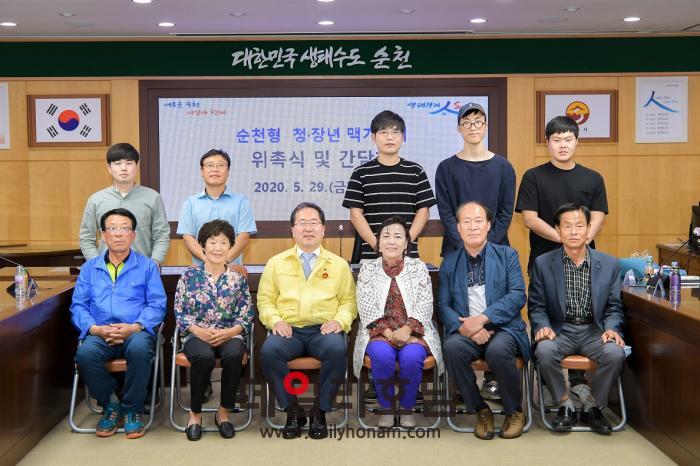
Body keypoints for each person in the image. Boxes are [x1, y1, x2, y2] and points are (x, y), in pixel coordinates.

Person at [515, 115, 608, 395]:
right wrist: (565, 239)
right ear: (547, 143)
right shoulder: (533, 176)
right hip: (544, 261)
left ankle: (578, 381)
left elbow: (599, 215)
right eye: (557, 140)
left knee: (582, 317)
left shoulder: (593, 178)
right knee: (546, 317)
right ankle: (547, 382)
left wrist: (581, 239)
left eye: (568, 139)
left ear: (577, 141)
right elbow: (529, 218)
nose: (563, 145)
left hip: (584, 262)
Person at [435, 102, 516, 401]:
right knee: (457, 307)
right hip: (456, 250)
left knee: (496, 307)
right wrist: (466, 244)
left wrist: (485, 244)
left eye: (478, 121)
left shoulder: (503, 167)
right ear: (459, 128)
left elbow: (506, 211)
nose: (473, 127)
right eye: (466, 122)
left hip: (496, 249)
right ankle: (460, 380)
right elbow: (446, 212)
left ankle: (494, 377)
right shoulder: (446, 168)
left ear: (485, 126)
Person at [258, 202, 357, 440]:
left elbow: (349, 302)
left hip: (322, 331)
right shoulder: (276, 263)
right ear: (292, 230)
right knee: (269, 352)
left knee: (337, 349)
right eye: (302, 223)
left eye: (314, 223)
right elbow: (265, 300)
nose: (308, 228)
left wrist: (339, 321)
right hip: (288, 331)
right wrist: (275, 321)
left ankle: (320, 411)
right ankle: (293, 411)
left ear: (323, 229)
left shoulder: (339, 265)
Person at [528, 203, 625, 435]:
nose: (573, 232)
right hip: (560, 330)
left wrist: (612, 328)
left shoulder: (609, 264)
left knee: (615, 353)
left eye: (579, 226)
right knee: (544, 351)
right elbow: (537, 305)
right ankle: (565, 404)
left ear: (589, 229)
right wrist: (542, 327)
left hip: (594, 330)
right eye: (567, 226)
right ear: (557, 230)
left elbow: (614, 306)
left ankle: (592, 406)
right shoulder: (543, 263)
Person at [71, 208, 166, 439]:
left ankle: (132, 409)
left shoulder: (147, 267)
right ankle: (111, 404)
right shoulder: (90, 268)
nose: (119, 233)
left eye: (125, 228)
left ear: (133, 235)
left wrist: (136, 326)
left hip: (136, 331)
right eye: (113, 228)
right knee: (85, 355)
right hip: (100, 332)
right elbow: (78, 306)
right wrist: (94, 329)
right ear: (104, 235)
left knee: (140, 349)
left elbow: (157, 305)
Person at [438, 201, 529, 440]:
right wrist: (466, 328)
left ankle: (514, 411)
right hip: (467, 331)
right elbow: (444, 305)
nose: (473, 227)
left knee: (498, 351)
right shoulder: (449, 262)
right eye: (466, 222)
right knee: (451, 348)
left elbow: (517, 295)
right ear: (458, 228)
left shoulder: (507, 255)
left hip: (503, 328)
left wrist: (483, 319)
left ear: (488, 225)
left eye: (478, 221)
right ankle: (480, 409)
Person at [353, 216, 443, 428]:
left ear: (406, 243)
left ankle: (406, 408)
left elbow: (425, 304)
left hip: (414, 332)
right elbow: (366, 307)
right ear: (378, 243)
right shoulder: (368, 269)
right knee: (382, 356)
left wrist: (407, 329)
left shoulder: (418, 268)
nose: (391, 241)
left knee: (411, 357)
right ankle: (387, 408)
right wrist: (388, 333)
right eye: (386, 236)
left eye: (397, 236)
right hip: (379, 333)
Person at [174, 220, 254, 441]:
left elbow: (246, 314)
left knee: (235, 354)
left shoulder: (238, 279)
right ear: (202, 246)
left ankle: (224, 412)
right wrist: (199, 331)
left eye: (223, 242)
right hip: (196, 334)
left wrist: (229, 332)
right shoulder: (189, 277)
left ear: (230, 247)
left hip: (230, 334)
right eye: (212, 242)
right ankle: (195, 413)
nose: (218, 248)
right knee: (204, 356)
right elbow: (180, 312)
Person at [342, 110, 436, 263]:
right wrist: (377, 245)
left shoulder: (416, 171)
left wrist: (405, 243)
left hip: (408, 257)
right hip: (371, 257)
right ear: (373, 137)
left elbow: (423, 212)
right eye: (383, 132)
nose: (390, 137)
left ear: (402, 137)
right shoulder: (361, 173)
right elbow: (355, 215)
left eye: (395, 132)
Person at [79, 142, 170, 265]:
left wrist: (154, 263)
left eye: (129, 163)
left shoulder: (153, 197)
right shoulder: (96, 200)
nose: (123, 168)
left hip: (143, 269)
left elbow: (162, 235)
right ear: (109, 168)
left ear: (137, 166)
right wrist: (97, 264)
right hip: (106, 270)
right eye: (118, 163)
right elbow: (86, 238)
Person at [177, 149, 257, 266]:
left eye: (220, 165)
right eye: (209, 165)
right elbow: (188, 237)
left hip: (232, 268)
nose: (215, 169)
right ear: (202, 171)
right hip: (201, 269)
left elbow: (243, 237)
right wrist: (208, 261)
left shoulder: (241, 202)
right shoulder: (190, 203)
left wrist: (223, 262)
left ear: (228, 171)